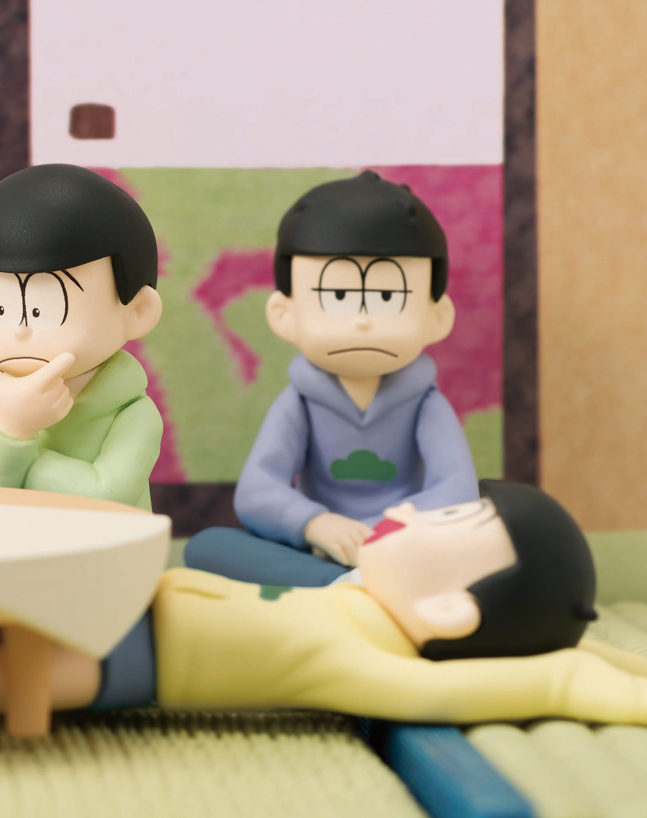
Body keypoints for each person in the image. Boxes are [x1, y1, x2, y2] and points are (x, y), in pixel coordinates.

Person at [0, 481, 647, 731]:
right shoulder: (348, 594)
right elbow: (221, 546)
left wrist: (571, 681)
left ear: (453, 612)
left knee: (38, 676)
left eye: (450, 521)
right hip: (132, 590)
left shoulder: (357, 662)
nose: (411, 510)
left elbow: (450, 693)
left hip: (141, 664)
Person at [187, 171, 476, 587]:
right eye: (337, 296)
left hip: (402, 544)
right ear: (284, 315)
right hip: (317, 546)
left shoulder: (425, 404)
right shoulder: (300, 403)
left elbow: (457, 491)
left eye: (387, 297)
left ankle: (335, 585)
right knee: (208, 546)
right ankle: (346, 585)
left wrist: (377, 533)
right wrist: (314, 523)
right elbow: (256, 491)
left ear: (437, 317)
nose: (362, 321)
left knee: (492, 536)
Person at [0, 164, 164, 508]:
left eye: (42, 311)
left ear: (137, 311)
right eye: (0, 308)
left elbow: (107, 496)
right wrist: (8, 427)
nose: (20, 330)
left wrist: (10, 443)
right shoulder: (14, 395)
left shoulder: (134, 414)